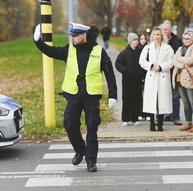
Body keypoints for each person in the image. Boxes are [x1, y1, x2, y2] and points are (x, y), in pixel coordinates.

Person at [33, 22, 117, 172]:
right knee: (70, 124)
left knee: (92, 127)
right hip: (74, 95)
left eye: (75, 36)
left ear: (83, 36)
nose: (72, 39)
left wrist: (113, 95)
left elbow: (109, 73)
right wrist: (38, 41)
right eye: (71, 36)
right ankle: (80, 150)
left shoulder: (99, 51)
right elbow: (51, 51)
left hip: (91, 96)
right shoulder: (69, 50)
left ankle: (91, 161)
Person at [139, 26, 174, 132]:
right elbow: (142, 61)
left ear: (162, 36)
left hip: (162, 76)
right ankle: (151, 123)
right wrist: (150, 66)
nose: (156, 37)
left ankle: (160, 123)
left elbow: (171, 62)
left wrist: (161, 67)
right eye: (154, 34)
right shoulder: (148, 48)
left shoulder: (168, 48)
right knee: (151, 100)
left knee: (162, 100)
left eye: (158, 34)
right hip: (152, 76)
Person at [172, 29, 193, 132]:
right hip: (179, 78)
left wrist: (179, 59)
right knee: (185, 103)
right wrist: (183, 64)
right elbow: (173, 60)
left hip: (191, 79)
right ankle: (189, 123)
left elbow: (192, 60)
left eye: (188, 38)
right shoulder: (180, 49)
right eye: (184, 38)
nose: (185, 40)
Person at [115, 33, 146, 126]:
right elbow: (118, 64)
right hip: (127, 79)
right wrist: (126, 71)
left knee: (137, 98)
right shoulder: (124, 53)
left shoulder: (141, 52)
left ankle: (135, 118)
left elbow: (144, 64)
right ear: (130, 41)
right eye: (134, 40)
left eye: (137, 40)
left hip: (138, 79)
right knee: (127, 98)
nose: (136, 42)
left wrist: (142, 74)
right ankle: (125, 118)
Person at [161, 20, 183, 125]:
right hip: (163, 72)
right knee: (163, 95)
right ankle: (162, 115)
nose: (164, 31)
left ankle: (176, 117)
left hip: (175, 72)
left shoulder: (178, 42)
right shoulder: (160, 42)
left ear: (171, 30)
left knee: (175, 96)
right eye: (163, 29)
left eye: (166, 29)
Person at [138, 33, 150, 121]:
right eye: (141, 39)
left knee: (147, 95)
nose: (143, 40)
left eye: (144, 39)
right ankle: (140, 113)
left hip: (147, 74)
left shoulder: (149, 49)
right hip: (138, 75)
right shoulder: (137, 49)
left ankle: (147, 113)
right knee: (139, 96)